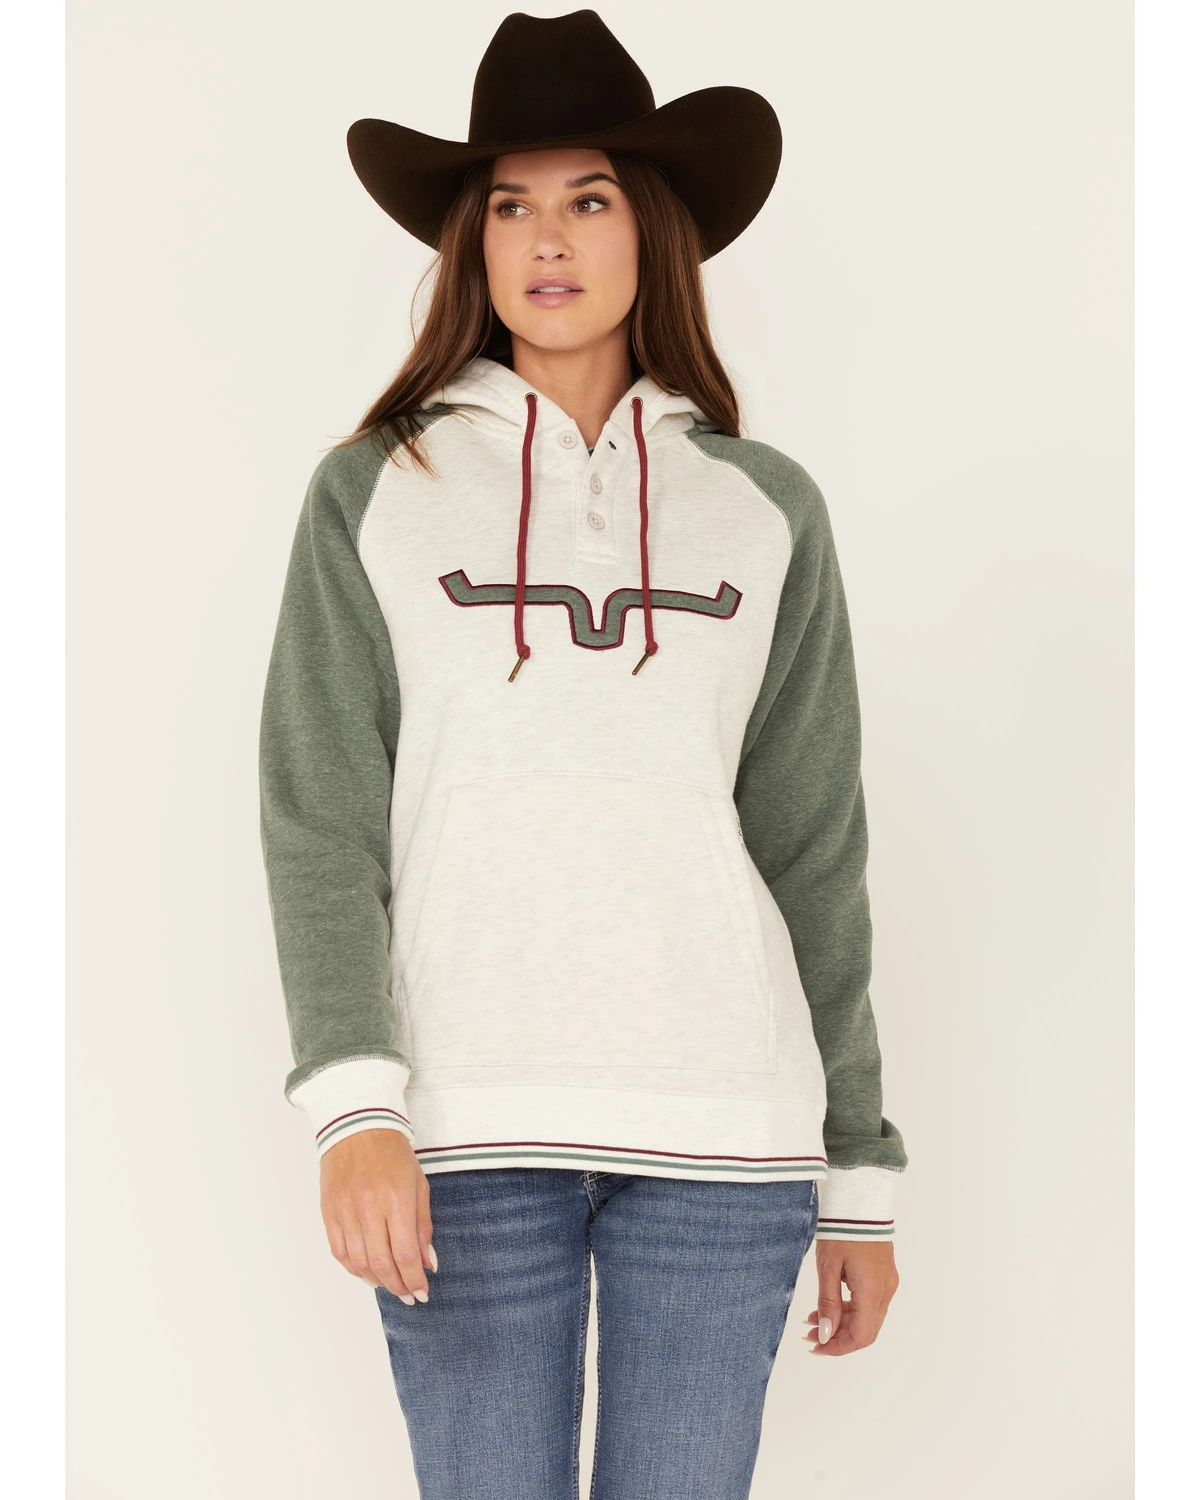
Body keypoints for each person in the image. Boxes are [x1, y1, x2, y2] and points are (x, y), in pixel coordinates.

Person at [258, 10, 907, 1498]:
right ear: (472, 245)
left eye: (590, 199)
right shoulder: (375, 491)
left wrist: (859, 1173)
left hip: (727, 1136)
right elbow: (319, 816)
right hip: (466, 1127)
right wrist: (354, 1108)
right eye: (510, 206)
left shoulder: (766, 507)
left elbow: (814, 845)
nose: (548, 239)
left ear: (651, 230)